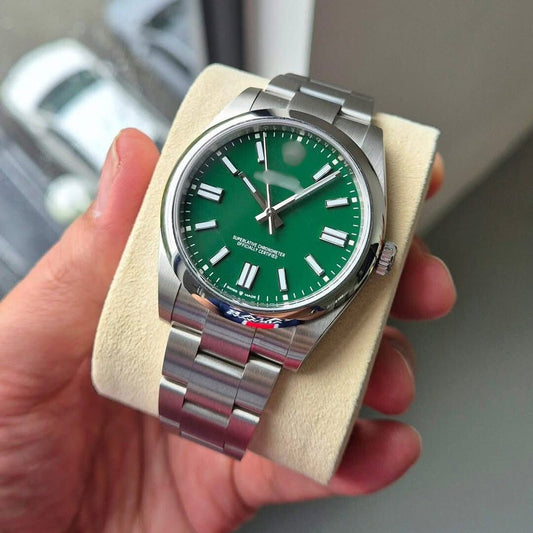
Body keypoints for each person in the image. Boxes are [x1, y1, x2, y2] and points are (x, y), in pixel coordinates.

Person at [0, 129, 456, 533]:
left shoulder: (368, 214)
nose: (269, 215)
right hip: (197, 290)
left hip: (283, 324)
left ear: (378, 257)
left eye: (273, 211)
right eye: (266, 206)